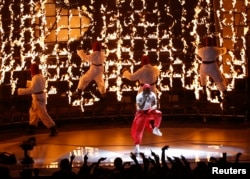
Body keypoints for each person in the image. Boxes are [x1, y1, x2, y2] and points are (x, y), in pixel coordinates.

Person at [17, 63, 58, 136]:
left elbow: (33, 89)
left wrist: (20, 91)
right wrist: (26, 83)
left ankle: (52, 128)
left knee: (43, 115)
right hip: (38, 98)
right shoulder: (40, 76)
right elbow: (38, 86)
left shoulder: (35, 77)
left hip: (38, 98)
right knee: (33, 113)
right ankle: (32, 127)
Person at [131, 83, 163, 154]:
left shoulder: (152, 94)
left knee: (158, 114)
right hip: (141, 113)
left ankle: (155, 129)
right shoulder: (139, 96)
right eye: (146, 90)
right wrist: (145, 99)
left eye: (149, 90)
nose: (148, 92)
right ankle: (137, 146)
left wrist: (152, 108)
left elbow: (155, 105)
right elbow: (140, 107)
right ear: (143, 90)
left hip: (149, 111)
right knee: (139, 130)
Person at [197, 36, 228, 103]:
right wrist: (226, 49)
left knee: (203, 78)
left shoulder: (202, 50)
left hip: (203, 66)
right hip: (212, 66)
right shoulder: (215, 50)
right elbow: (222, 51)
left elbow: (198, 52)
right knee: (219, 80)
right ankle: (225, 93)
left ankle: (204, 91)